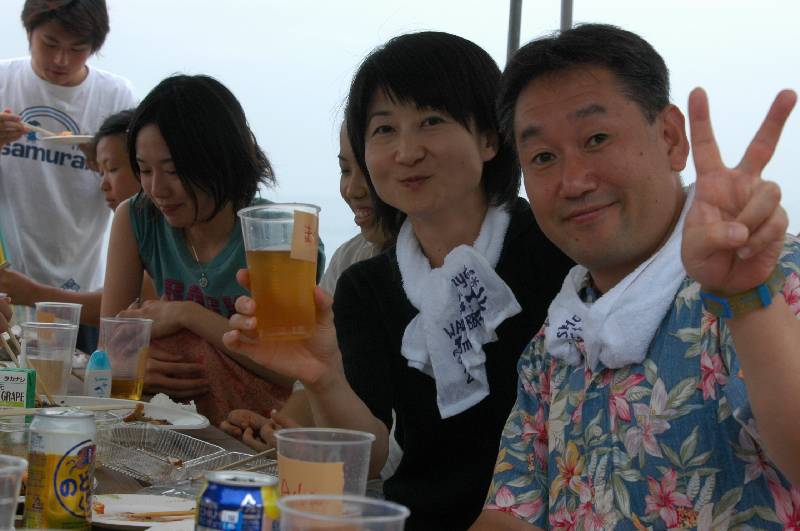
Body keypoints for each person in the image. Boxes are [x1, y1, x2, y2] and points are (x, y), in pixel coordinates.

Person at [224, 32, 573, 530]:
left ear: (489, 138)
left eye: (431, 121)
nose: (407, 152)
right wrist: (322, 375)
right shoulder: (366, 286)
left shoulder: (555, 247)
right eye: (384, 129)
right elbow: (366, 460)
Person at [471, 23, 799, 530]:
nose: (573, 181)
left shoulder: (773, 275)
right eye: (543, 157)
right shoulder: (556, 342)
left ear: (670, 138)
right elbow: (509, 516)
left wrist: (748, 298)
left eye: (596, 139)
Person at [103, 74, 323, 425]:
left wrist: (187, 314)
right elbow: (109, 344)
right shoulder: (137, 217)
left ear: (221, 159)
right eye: (144, 170)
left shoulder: (284, 236)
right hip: (170, 420)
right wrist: (129, 363)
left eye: (174, 170)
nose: (157, 189)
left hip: (255, 425)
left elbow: (290, 369)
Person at [221, 123, 402, 480]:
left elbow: (385, 457)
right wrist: (281, 429)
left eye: (367, 168)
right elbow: (314, 379)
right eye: (345, 169)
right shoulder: (350, 259)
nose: (353, 189)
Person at [0, 0, 136, 352]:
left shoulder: (115, 96)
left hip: (82, 290)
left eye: (77, 49)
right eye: (50, 44)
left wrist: (106, 160)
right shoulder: (3, 81)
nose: (61, 59)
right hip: (7, 288)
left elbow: (135, 196)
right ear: (29, 31)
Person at [0, 109, 155, 326]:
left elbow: (117, 309)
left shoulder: (161, 231)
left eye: (112, 169)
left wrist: (31, 293)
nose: (103, 185)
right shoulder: (133, 226)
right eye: (100, 172)